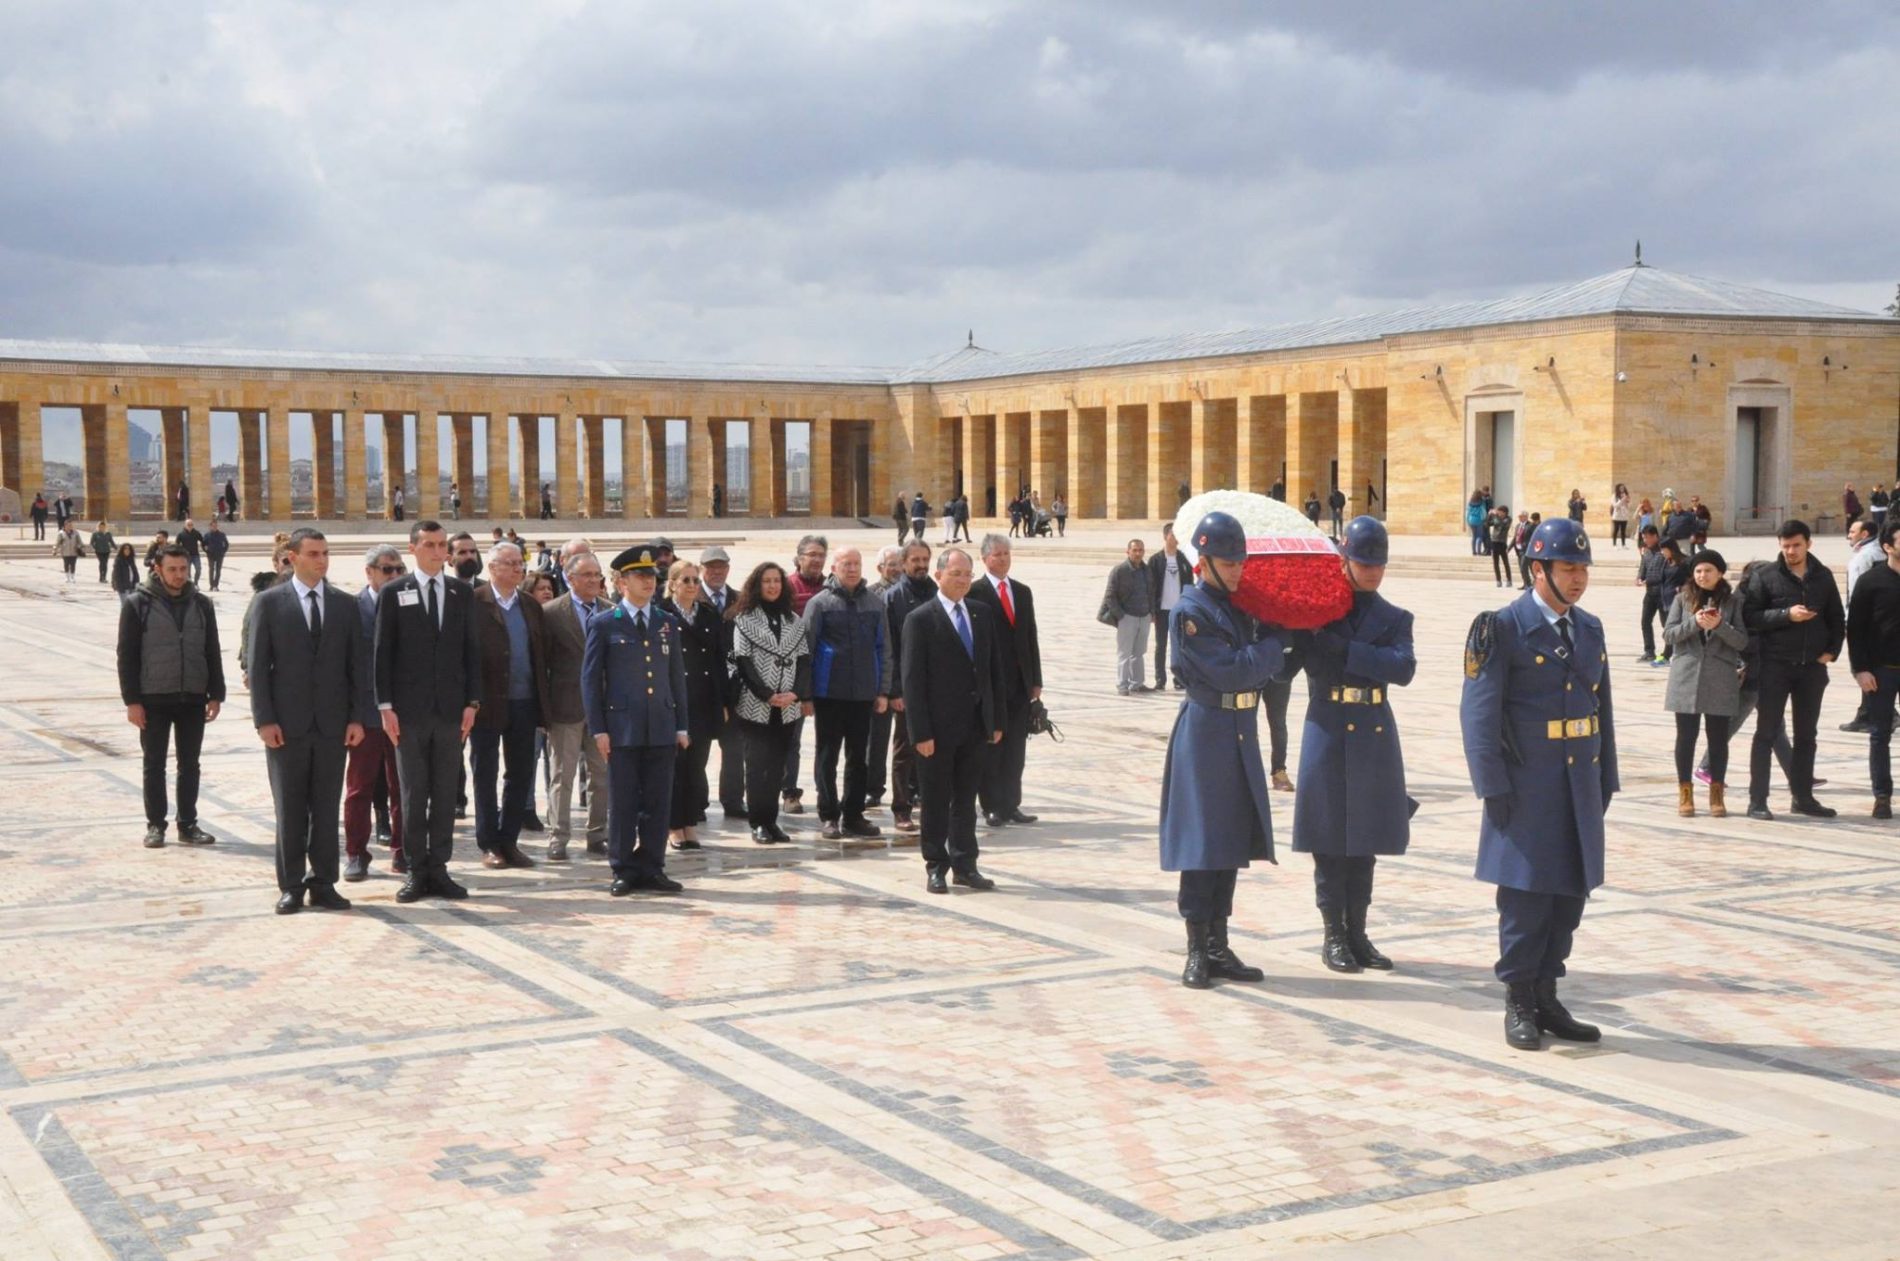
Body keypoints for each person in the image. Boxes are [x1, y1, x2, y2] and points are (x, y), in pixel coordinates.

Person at [1460, 517, 1617, 1051]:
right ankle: (1520, 999)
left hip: (1578, 785)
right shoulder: (1501, 628)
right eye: (1568, 568)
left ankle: (1548, 994)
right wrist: (1492, 787)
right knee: (1526, 899)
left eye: (1583, 568)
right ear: (1538, 569)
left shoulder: (1589, 628)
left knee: (1568, 895)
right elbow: (1479, 716)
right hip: (1526, 786)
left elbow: (1602, 711)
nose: (1578, 578)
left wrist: (1607, 779)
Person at [1159, 510, 1282, 990]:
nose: (1236, 570)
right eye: (1228, 563)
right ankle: (1196, 947)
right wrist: (1273, 647)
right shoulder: (1191, 612)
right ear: (1203, 561)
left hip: (1239, 729)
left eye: (1239, 562)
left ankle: (1218, 943)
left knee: (1229, 839)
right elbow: (1231, 671)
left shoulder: (1238, 606)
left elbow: (1262, 670)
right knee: (1202, 842)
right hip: (1206, 729)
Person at [1291, 516, 1414, 973]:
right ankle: (1333, 935)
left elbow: (1403, 668)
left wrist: (1346, 651)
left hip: (1373, 728)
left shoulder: (1395, 617)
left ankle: (1359, 932)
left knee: (1365, 839)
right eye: (1364, 564)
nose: (1373, 572)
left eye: (1378, 564)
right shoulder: (1319, 614)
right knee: (1329, 837)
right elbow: (1292, 666)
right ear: (1345, 559)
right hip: (1327, 723)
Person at [247, 529, 367, 914]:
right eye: (314, 553)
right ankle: (292, 884)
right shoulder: (269, 603)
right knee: (290, 808)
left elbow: (356, 668)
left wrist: (356, 718)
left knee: (326, 805)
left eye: (326, 553)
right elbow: (259, 668)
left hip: (332, 725)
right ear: (292, 557)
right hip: (286, 725)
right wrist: (264, 720)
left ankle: (324, 882)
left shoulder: (344, 605)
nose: (322, 560)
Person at [375, 520, 482, 903]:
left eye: (442, 546)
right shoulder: (394, 592)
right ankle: (415, 868)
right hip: (408, 713)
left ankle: (439, 866)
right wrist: (385, 706)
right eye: (430, 545)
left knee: (444, 791)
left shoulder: (459, 593)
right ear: (413, 548)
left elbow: (471, 651)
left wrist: (472, 702)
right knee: (412, 791)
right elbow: (382, 654)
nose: (438, 552)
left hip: (451, 712)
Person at [584, 545, 689, 894]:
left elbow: (676, 678)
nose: (649, 582)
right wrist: (599, 728)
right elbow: (590, 680)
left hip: (660, 724)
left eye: (652, 577)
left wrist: (681, 724)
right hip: (622, 729)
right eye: (640, 577)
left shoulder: (666, 622)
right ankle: (623, 867)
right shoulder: (603, 624)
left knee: (658, 802)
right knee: (625, 801)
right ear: (621, 581)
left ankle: (652, 865)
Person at [902, 547, 1006, 895]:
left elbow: (993, 672)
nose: (962, 580)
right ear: (939, 576)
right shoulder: (920, 619)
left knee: (965, 800)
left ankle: (965, 864)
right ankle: (936, 865)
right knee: (935, 800)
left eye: (967, 574)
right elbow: (913, 681)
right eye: (956, 574)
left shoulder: (981, 614)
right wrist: (920, 732)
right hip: (936, 731)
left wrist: (995, 720)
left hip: (974, 727)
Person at [118, 544, 224, 849]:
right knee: (154, 763)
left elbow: (211, 650)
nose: (179, 576)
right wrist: (132, 701)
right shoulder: (138, 604)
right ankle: (155, 825)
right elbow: (126, 655)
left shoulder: (202, 604)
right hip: (154, 698)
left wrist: (215, 694)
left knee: (190, 763)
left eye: (183, 569)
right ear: (158, 570)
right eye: (172, 570)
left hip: (192, 695)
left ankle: (188, 823)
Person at [1741, 520, 1843, 820]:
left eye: (1796, 545)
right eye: (1785, 546)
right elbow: (1751, 616)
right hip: (1774, 665)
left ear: (1808, 544)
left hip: (1811, 668)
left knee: (1806, 736)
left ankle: (1803, 798)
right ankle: (1757, 800)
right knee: (1766, 733)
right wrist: (1786, 615)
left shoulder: (1823, 576)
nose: (1790, 551)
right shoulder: (1766, 576)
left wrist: (1832, 651)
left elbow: (1837, 617)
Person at [800, 546, 891, 841]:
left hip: (864, 692)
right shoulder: (819, 603)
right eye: (846, 564)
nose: (852, 569)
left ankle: (853, 815)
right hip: (829, 693)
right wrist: (806, 694)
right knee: (827, 755)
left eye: (856, 563)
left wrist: (883, 690)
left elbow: (884, 649)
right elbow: (807, 650)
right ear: (834, 567)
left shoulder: (875, 603)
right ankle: (828, 815)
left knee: (859, 758)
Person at [469, 542, 549, 871]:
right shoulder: (474, 603)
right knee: (484, 773)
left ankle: (509, 840)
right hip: (487, 705)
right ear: (492, 568)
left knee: (520, 774)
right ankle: (489, 843)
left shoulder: (530, 605)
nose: (519, 569)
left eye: (520, 563)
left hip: (524, 702)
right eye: (511, 563)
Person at [729, 561, 812, 845]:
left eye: (777, 580)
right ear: (757, 585)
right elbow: (743, 662)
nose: (773, 586)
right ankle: (758, 822)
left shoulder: (794, 620)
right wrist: (766, 694)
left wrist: (796, 694)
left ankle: (772, 820)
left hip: (787, 706)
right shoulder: (744, 619)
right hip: (756, 705)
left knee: (778, 766)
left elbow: (803, 660)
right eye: (767, 581)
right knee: (756, 766)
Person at [540, 551, 611, 861]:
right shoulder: (552, 613)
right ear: (569, 578)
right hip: (565, 707)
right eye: (587, 575)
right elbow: (542, 665)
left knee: (601, 775)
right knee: (562, 776)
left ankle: (598, 835)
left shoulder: (612, 612)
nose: (594, 580)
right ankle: (559, 836)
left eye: (597, 574)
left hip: (604, 710)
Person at [967, 534, 1042, 829]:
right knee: (992, 746)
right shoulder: (975, 592)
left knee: (1015, 749)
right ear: (984, 558)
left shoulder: (1022, 592)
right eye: (997, 555)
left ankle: (1012, 804)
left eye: (1006, 554)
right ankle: (991, 805)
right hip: (990, 683)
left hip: (1020, 683)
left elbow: (1030, 637)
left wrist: (1035, 679)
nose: (1002, 559)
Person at [1663, 550, 1744, 819]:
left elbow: (1743, 641)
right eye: (1698, 571)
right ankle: (1685, 793)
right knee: (1686, 737)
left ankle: (1716, 794)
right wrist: (1694, 622)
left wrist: (1720, 625)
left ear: (1719, 573)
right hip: (1686, 676)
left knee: (1718, 739)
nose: (1702, 575)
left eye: (1708, 571)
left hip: (1720, 677)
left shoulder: (1734, 602)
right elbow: (1669, 634)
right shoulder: (1682, 599)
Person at [343, 545, 406, 880]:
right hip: (366, 714)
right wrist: (351, 716)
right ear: (369, 572)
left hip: (402, 714)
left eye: (399, 570)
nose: (394, 576)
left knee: (403, 787)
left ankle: (402, 850)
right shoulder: (352, 608)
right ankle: (355, 852)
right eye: (387, 570)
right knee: (359, 788)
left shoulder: (410, 603)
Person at [660, 559, 724, 848]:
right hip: (674, 699)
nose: (691, 585)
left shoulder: (709, 614)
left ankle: (689, 822)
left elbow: (719, 659)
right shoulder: (662, 614)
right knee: (675, 767)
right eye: (685, 580)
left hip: (702, 699)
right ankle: (674, 825)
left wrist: (723, 700)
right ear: (672, 584)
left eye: (695, 580)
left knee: (696, 767)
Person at [883, 541, 936, 835]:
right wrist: (894, 691)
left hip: (936, 687)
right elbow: (889, 646)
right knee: (904, 750)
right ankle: (901, 808)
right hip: (906, 688)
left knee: (934, 749)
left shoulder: (936, 593)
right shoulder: (894, 597)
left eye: (925, 559)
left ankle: (930, 802)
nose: (921, 564)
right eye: (915, 559)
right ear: (903, 564)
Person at [1849, 519, 1900, 818]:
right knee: (1880, 734)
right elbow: (1856, 629)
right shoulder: (1871, 581)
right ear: (1887, 547)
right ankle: (1882, 796)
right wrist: (1860, 669)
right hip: (1881, 670)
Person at [779, 534, 828, 814]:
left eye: (821, 554)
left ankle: (825, 789)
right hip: (795, 674)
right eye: (811, 554)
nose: (817, 559)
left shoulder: (831, 587)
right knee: (792, 739)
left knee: (827, 738)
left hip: (827, 672)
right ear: (799, 558)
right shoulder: (787, 587)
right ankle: (790, 792)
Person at [863, 546, 904, 808]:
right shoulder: (870, 596)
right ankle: (873, 788)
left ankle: (910, 789)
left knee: (908, 739)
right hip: (881, 678)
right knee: (875, 739)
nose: (896, 568)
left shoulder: (912, 593)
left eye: (900, 563)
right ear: (880, 568)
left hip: (907, 678)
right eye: (891, 564)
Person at [1840, 516, 1883, 735]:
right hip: (1882, 620)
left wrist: (1851, 621)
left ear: (1864, 534)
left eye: (1852, 531)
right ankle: (1871, 711)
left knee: (1861, 667)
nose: (1849, 534)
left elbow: (1857, 593)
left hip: (1864, 621)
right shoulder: (1882, 552)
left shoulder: (1862, 558)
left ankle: (1873, 713)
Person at [1103, 538, 1154, 696]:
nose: (1138, 553)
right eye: (1135, 550)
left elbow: (1151, 592)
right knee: (1124, 653)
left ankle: (1137, 683)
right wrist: (1121, 616)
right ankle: (1122, 685)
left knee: (1139, 653)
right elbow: (1110, 596)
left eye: (1141, 550)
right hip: (1127, 617)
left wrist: (1151, 612)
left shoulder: (1147, 570)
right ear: (1128, 552)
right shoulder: (1119, 570)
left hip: (1144, 616)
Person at [1147, 524, 1188, 690]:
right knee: (1161, 645)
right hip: (1161, 610)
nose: (1176, 539)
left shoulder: (1183, 558)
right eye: (1173, 535)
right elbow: (1150, 587)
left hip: (1179, 610)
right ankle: (1160, 679)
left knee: (1179, 645)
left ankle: (1178, 679)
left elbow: (1189, 584)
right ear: (1165, 537)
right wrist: (1152, 610)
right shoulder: (1156, 560)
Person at [1635, 525, 1668, 663]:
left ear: (1655, 536)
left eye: (1647, 537)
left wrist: (1650, 579)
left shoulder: (1664, 551)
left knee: (1666, 623)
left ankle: (1668, 652)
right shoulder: (1646, 552)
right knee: (1645, 621)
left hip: (1662, 593)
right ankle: (1649, 651)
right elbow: (1643, 567)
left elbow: (1666, 572)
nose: (1645, 540)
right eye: (1643, 537)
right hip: (1649, 593)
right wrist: (1639, 577)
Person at [1486, 505, 1512, 587]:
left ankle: (1509, 580)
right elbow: (1488, 524)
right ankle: (1498, 580)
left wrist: (1495, 515)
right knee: (1495, 563)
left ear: (1504, 512)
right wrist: (1489, 515)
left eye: (1500, 512)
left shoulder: (1508, 519)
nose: (1499, 513)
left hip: (1502, 542)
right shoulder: (1496, 517)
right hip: (1494, 542)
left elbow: (1500, 524)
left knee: (1505, 562)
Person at [52, 518, 82, 584]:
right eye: (68, 525)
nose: (70, 527)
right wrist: (55, 549)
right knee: (66, 564)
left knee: (73, 565)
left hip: (74, 552)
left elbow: (80, 542)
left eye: (71, 525)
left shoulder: (76, 533)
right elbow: (57, 542)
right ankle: (67, 577)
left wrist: (79, 547)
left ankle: (72, 577)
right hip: (65, 552)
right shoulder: (61, 533)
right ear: (65, 525)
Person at [202, 519, 229, 592]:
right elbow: (203, 544)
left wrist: (223, 551)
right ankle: (211, 585)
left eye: (216, 526)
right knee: (211, 570)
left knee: (218, 570)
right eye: (213, 526)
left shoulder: (222, 534)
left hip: (219, 555)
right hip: (211, 555)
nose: (215, 527)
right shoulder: (207, 535)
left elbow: (226, 544)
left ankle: (216, 585)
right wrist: (206, 551)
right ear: (210, 527)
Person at [177, 517, 205, 586]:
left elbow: (203, 541)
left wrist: (206, 549)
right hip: (186, 556)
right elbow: (177, 544)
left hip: (195, 555)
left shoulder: (196, 533)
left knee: (198, 569)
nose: (190, 526)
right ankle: (190, 586)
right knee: (187, 572)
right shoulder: (181, 534)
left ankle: (196, 583)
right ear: (185, 525)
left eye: (191, 524)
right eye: (188, 524)